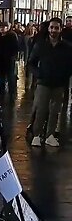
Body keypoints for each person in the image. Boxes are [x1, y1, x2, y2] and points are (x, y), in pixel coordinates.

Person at [28, 18, 72, 147]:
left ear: (60, 29)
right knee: (41, 109)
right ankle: (36, 135)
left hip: (59, 84)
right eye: (52, 27)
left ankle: (50, 135)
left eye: (56, 28)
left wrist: (65, 77)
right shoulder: (41, 45)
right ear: (48, 28)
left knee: (55, 110)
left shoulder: (66, 47)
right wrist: (39, 74)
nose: (54, 30)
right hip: (43, 83)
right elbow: (31, 63)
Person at [0, 22, 19, 99]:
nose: (2, 29)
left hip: (9, 59)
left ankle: (11, 94)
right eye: (0, 27)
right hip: (1, 60)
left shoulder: (12, 36)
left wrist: (13, 56)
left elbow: (16, 47)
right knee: (1, 78)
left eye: (4, 27)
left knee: (10, 77)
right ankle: (2, 93)